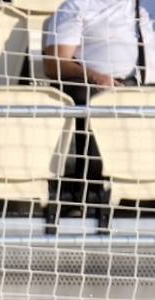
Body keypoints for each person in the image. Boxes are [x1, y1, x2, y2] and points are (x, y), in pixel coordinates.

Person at [43, 0, 155, 203]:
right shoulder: (76, 6)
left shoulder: (142, 8)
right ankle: (90, 192)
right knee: (89, 99)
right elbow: (54, 64)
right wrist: (96, 77)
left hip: (147, 89)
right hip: (103, 88)